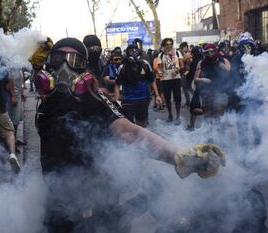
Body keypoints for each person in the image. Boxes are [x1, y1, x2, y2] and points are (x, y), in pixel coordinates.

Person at [33, 37, 225, 233]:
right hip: (58, 200)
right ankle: (144, 200)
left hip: (96, 191)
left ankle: (144, 199)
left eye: (73, 61)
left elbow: (130, 131)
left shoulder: (93, 99)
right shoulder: (47, 103)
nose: (64, 69)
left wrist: (179, 155)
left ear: (84, 68)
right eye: (58, 60)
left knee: (106, 224)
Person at [115, 44, 161, 127]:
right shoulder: (123, 67)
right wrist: (117, 99)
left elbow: (152, 80)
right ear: (127, 53)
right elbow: (117, 84)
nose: (133, 53)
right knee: (129, 125)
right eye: (131, 51)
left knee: (142, 124)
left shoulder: (145, 64)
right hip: (128, 100)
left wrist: (157, 96)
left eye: (135, 50)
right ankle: (132, 139)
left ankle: (141, 139)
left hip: (143, 99)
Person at [187, 43, 231, 130]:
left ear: (216, 51)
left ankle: (220, 134)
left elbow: (229, 73)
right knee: (205, 113)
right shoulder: (201, 63)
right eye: (207, 53)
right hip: (206, 91)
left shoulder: (224, 61)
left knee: (219, 113)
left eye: (211, 52)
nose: (210, 55)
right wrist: (203, 80)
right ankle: (207, 133)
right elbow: (195, 79)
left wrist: (220, 65)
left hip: (220, 91)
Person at [158, 38, 184, 124]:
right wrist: (160, 73)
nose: (169, 46)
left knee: (178, 98)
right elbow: (160, 68)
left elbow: (182, 65)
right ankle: (170, 115)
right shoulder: (161, 55)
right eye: (167, 44)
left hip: (176, 78)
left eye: (170, 44)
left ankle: (178, 116)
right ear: (164, 46)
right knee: (167, 98)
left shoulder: (177, 53)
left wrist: (178, 70)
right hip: (166, 80)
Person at [179, 42, 193, 107]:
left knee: (184, 86)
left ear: (186, 47)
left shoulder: (187, 54)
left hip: (186, 72)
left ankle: (188, 102)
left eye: (182, 48)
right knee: (189, 87)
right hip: (188, 72)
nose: (182, 49)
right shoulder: (189, 53)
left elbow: (181, 61)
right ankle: (196, 96)